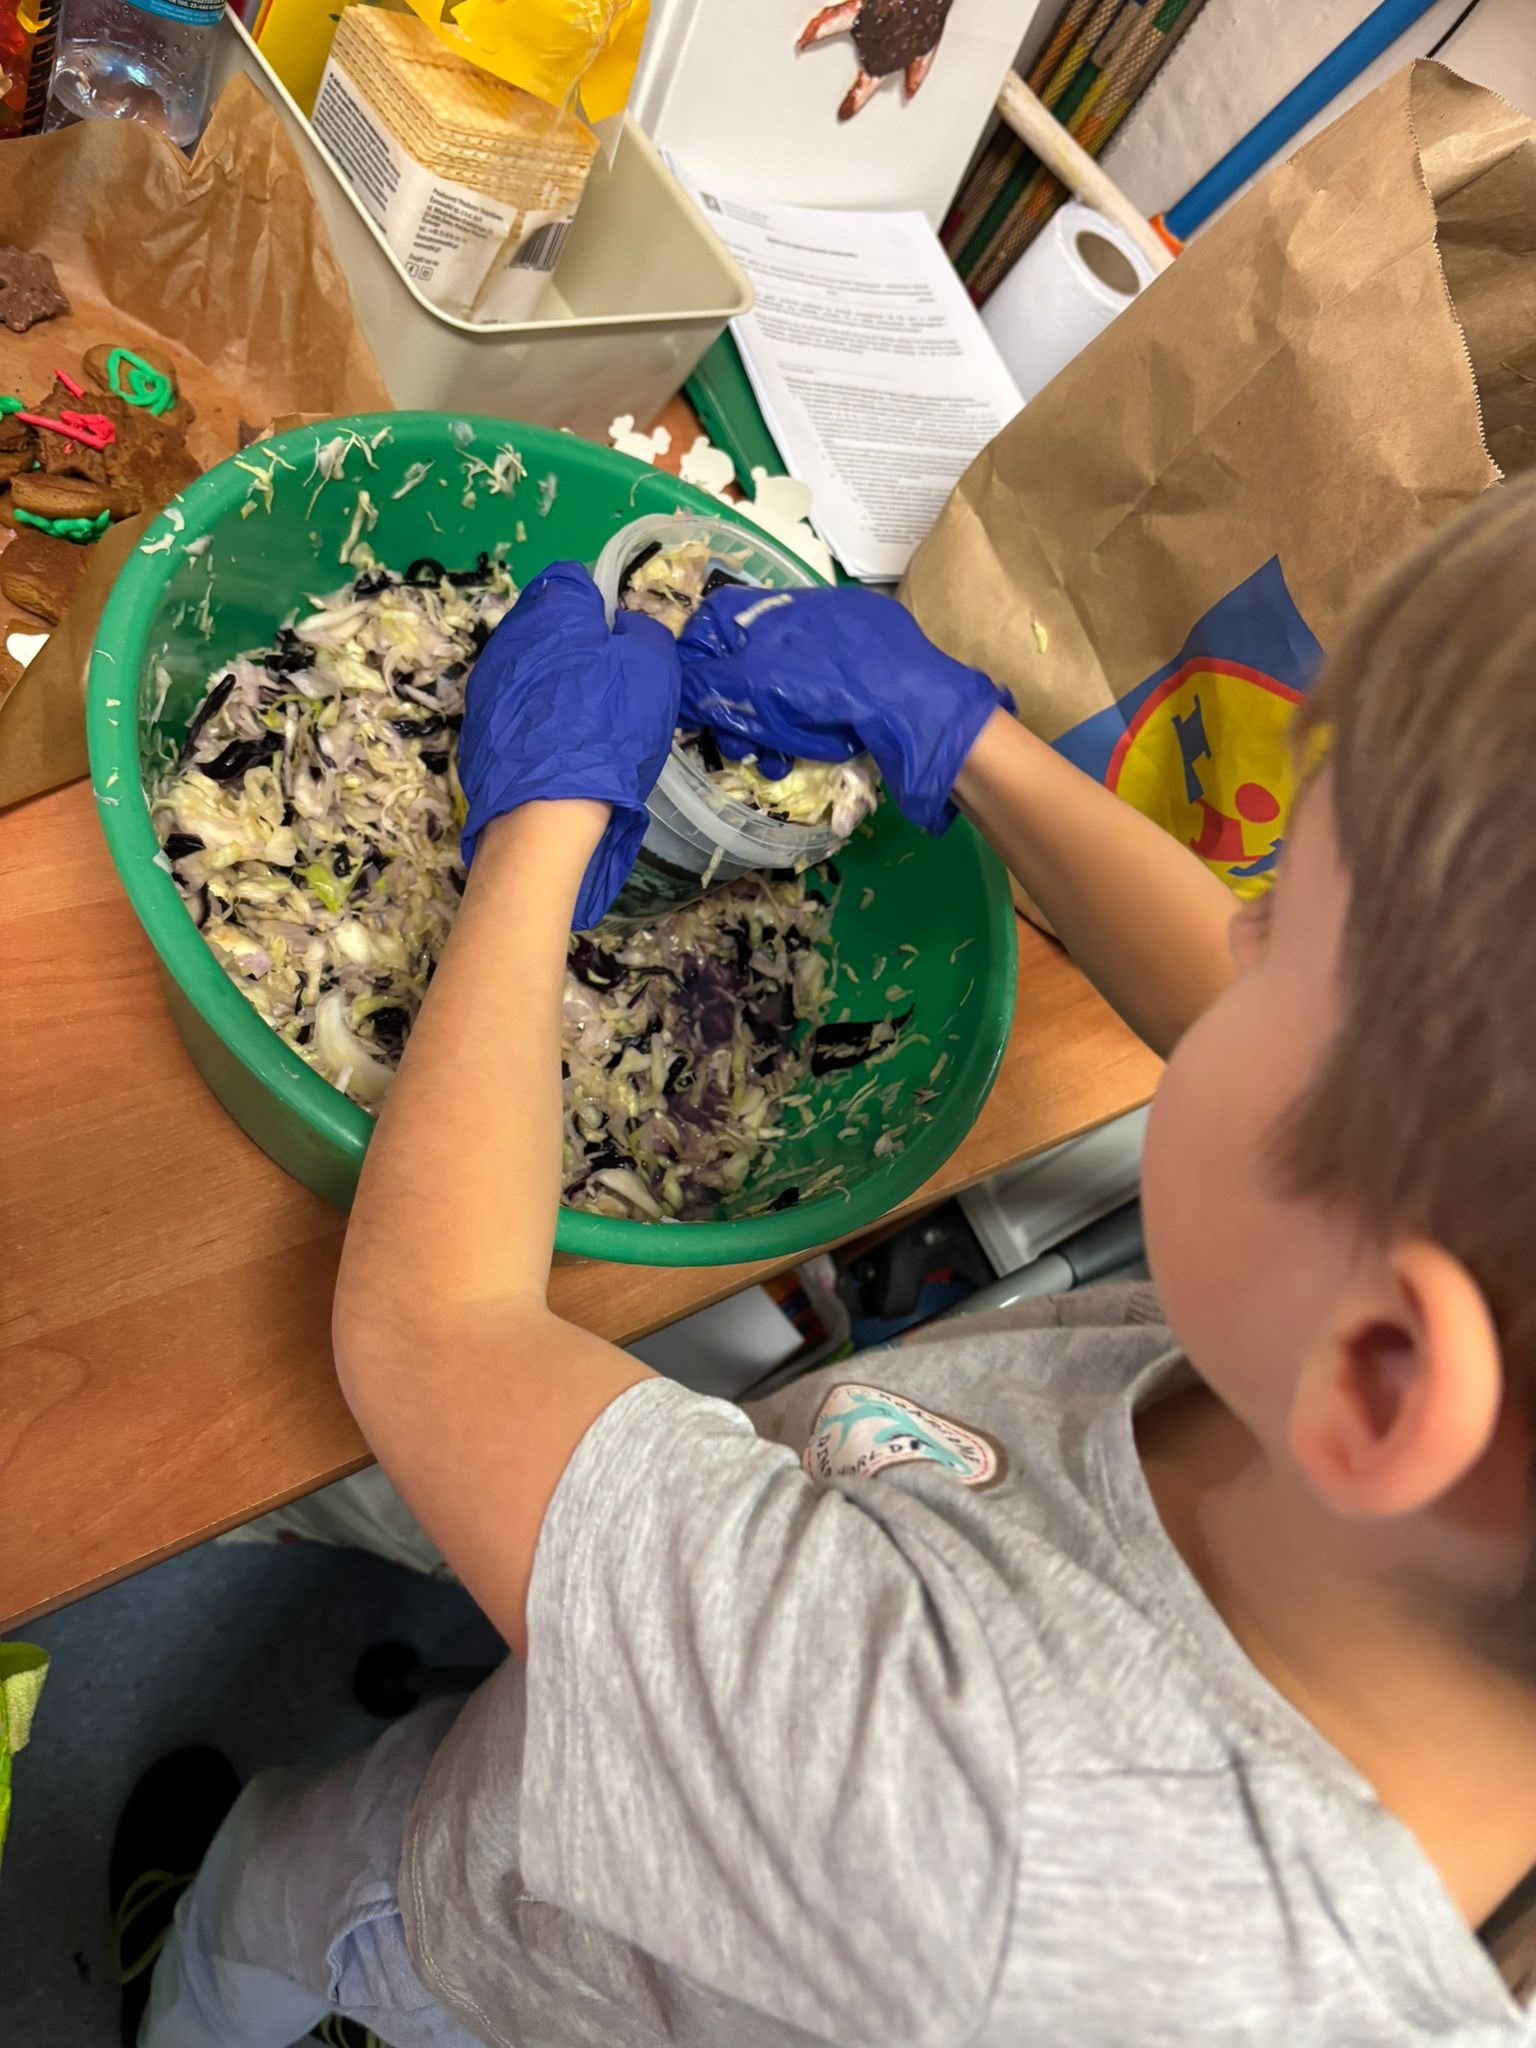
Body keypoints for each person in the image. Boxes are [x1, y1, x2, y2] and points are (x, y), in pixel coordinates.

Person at [113, 479, 1536, 2048]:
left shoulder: (972, 1825)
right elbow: (1311, 1089)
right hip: (664, 1734)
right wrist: (966, 739)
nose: (1226, 950)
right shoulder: (1387, 1435)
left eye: (1271, 950)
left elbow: (433, 1329)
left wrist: (539, 832)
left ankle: (196, 1991)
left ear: (1391, 1370)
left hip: (501, 1943)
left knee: (292, 1898)